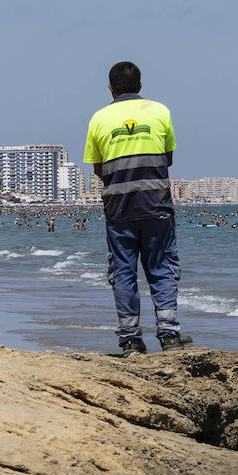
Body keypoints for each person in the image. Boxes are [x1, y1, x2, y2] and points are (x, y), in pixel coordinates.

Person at [84, 61, 191, 356]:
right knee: (161, 267)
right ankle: (169, 335)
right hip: (156, 203)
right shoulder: (160, 112)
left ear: (110, 88)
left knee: (123, 270)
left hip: (119, 206)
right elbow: (167, 159)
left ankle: (130, 339)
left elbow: (98, 168)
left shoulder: (99, 119)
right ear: (140, 85)